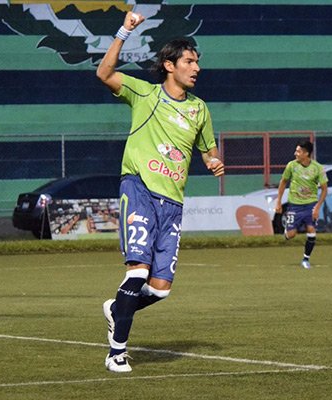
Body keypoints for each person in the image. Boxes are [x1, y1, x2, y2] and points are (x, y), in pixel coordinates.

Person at [96, 11, 224, 373]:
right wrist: (124, 31)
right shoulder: (144, 94)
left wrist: (214, 161)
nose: (196, 67)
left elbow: (208, 151)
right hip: (138, 189)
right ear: (169, 65)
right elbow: (103, 74)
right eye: (189, 61)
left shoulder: (200, 110)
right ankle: (116, 352)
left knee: (161, 288)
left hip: (173, 203)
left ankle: (117, 308)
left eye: (197, 61)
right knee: (137, 273)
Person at [274, 140, 328, 269]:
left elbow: (325, 189)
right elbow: (283, 182)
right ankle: (287, 231)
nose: (295, 153)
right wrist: (279, 201)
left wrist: (317, 207)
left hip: (310, 204)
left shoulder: (318, 168)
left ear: (306, 153)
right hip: (295, 205)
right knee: (291, 235)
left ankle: (305, 259)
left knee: (311, 230)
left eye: (298, 151)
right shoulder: (291, 166)